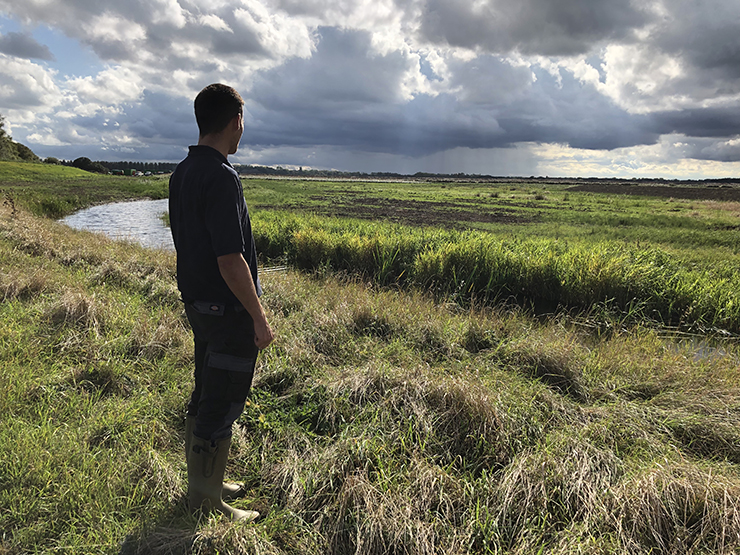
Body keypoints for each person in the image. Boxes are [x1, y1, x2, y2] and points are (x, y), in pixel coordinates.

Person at [169, 83, 274, 521]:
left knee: (205, 391)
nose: (242, 130)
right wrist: (259, 316)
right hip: (227, 310)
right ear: (235, 122)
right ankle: (207, 501)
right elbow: (231, 260)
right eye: (242, 122)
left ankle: (206, 481)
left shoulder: (183, 171)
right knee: (223, 399)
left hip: (197, 306)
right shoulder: (222, 176)